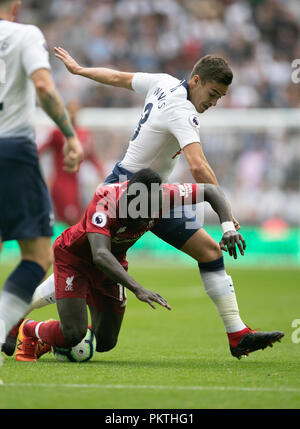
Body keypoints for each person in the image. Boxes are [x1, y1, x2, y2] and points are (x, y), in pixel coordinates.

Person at [4, 48, 284, 360]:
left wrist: (80, 70)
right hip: (126, 192)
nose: (214, 102)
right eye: (213, 93)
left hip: (154, 194)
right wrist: (229, 222)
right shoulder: (183, 111)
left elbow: (117, 77)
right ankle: (16, 313)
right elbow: (199, 168)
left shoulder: (163, 82)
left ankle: (237, 333)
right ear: (196, 80)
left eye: (220, 97)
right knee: (84, 262)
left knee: (209, 251)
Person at [15, 168, 253, 362]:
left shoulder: (166, 195)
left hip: (113, 263)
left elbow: (212, 191)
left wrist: (228, 228)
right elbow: (99, 254)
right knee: (75, 334)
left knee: (106, 342)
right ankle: (31, 329)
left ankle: (67, 317)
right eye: (140, 209)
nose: (145, 216)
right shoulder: (105, 200)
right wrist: (138, 288)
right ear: (128, 195)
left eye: (151, 209)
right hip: (75, 260)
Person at [0, 0, 83, 360]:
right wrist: (70, 134)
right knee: (36, 255)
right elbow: (45, 89)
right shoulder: (24, 35)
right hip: (11, 149)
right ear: (16, 4)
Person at [39, 99, 104, 225]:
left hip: (77, 184)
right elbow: (40, 150)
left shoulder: (84, 133)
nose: (73, 114)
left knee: (76, 220)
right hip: (61, 184)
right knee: (69, 221)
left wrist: (101, 172)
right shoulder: (58, 133)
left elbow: (92, 157)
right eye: (70, 111)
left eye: (75, 111)